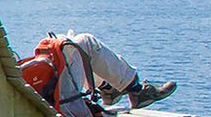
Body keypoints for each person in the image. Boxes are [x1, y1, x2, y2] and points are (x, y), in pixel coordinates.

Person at [48, 32, 176, 110]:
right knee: (84, 42)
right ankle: (136, 90)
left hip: (43, 103)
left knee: (61, 45)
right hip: (57, 106)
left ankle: (108, 87)